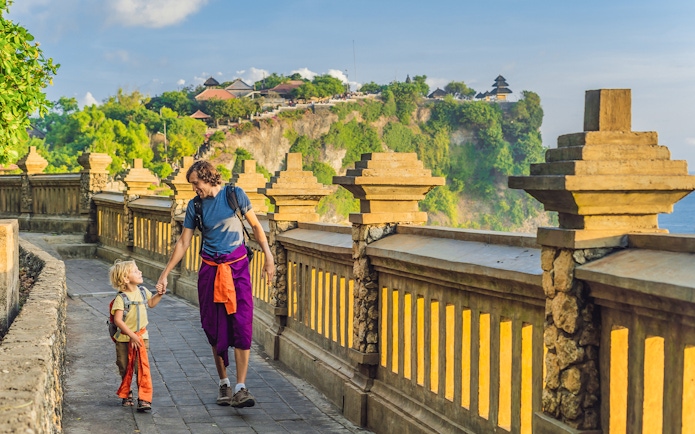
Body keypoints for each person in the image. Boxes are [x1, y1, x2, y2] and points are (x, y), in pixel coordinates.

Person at [156, 160, 275, 408]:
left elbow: (255, 226)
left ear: (207, 177)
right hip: (210, 270)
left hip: (237, 268)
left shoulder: (234, 194)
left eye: (195, 183)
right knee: (215, 327)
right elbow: (183, 243)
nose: (194, 188)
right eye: (191, 185)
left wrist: (269, 257)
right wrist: (165, 273)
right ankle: (224, 383)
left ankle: (241, 388)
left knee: (242, 325)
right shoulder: (195, 206)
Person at [109, 260, 165, 412]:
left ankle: (144, 398)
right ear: (126, 279)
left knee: (141, 367)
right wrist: (131, 336)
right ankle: (127, 393)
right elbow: (117, 320)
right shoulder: (121, 298)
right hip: (124, 339)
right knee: (124, 366)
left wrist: (159, 294)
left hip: (141, 337)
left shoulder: (142, 291)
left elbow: (151, 303)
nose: (140, 272)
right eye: (135, 271)